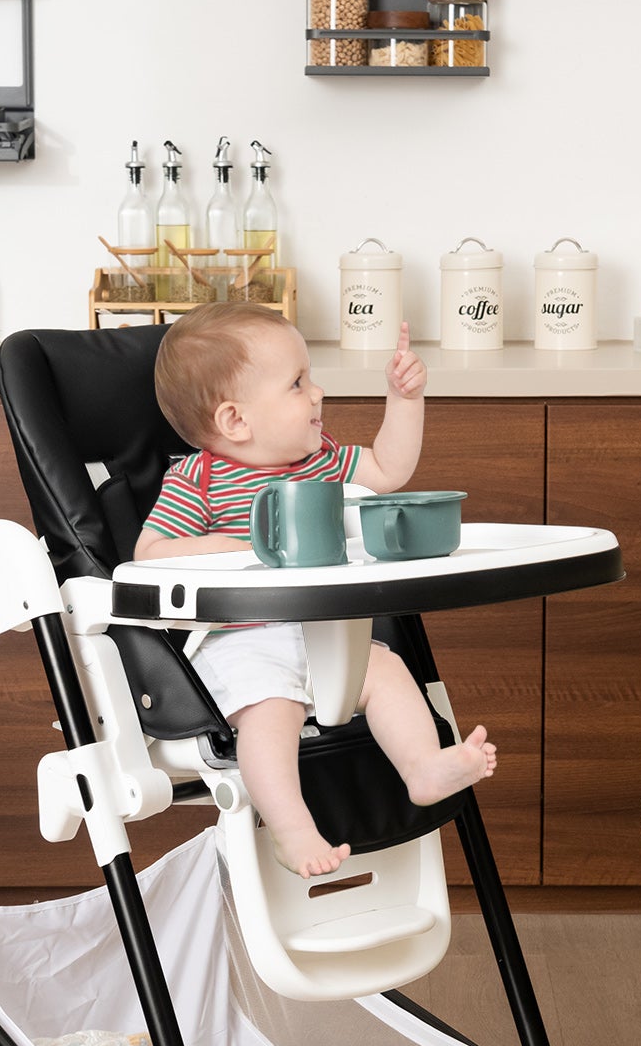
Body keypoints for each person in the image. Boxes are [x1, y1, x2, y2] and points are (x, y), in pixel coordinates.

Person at [136, 303, 496, 879]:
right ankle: (292, 829)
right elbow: (148, 555)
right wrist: (235, 549)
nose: (317, 392)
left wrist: (404, 401)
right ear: (235, 420)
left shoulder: (320, 462)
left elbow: (387, 469)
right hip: (243, 640)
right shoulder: (197, 479)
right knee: (268, 717)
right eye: (298, 383)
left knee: (387, 673)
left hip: (322, 632)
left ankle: (424, 768)